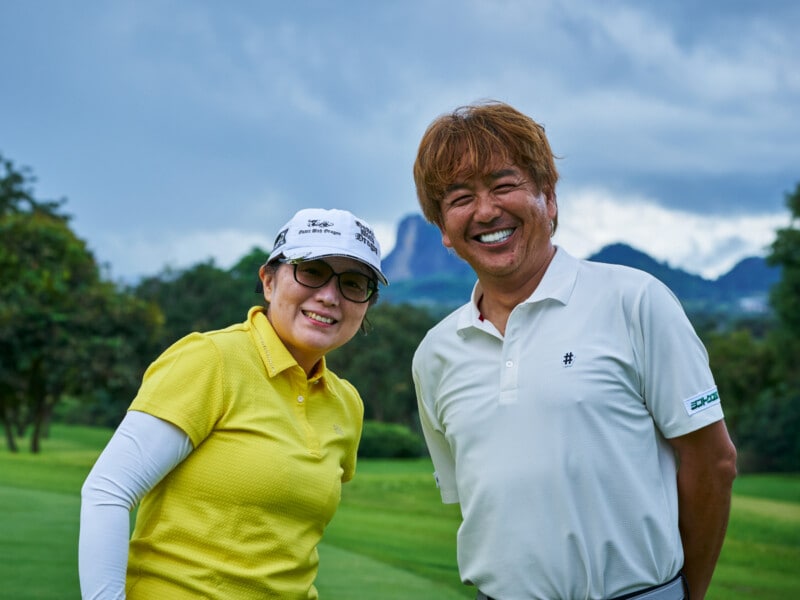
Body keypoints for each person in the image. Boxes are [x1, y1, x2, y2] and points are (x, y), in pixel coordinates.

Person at [411, 101, 738, 600]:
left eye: (503, 185)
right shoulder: (435, 353)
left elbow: (713, 463)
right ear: (443, 229)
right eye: (460, 197)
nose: (486, 210)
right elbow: (480, 501)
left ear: (549, 197)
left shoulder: (634, 301)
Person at [79, 208, 388, 599]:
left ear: (367, 304)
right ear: (269, 282)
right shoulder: (211, 360)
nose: (329, 296)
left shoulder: (346, 403)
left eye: (353, 284)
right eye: (311, 272)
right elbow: (109, 491)